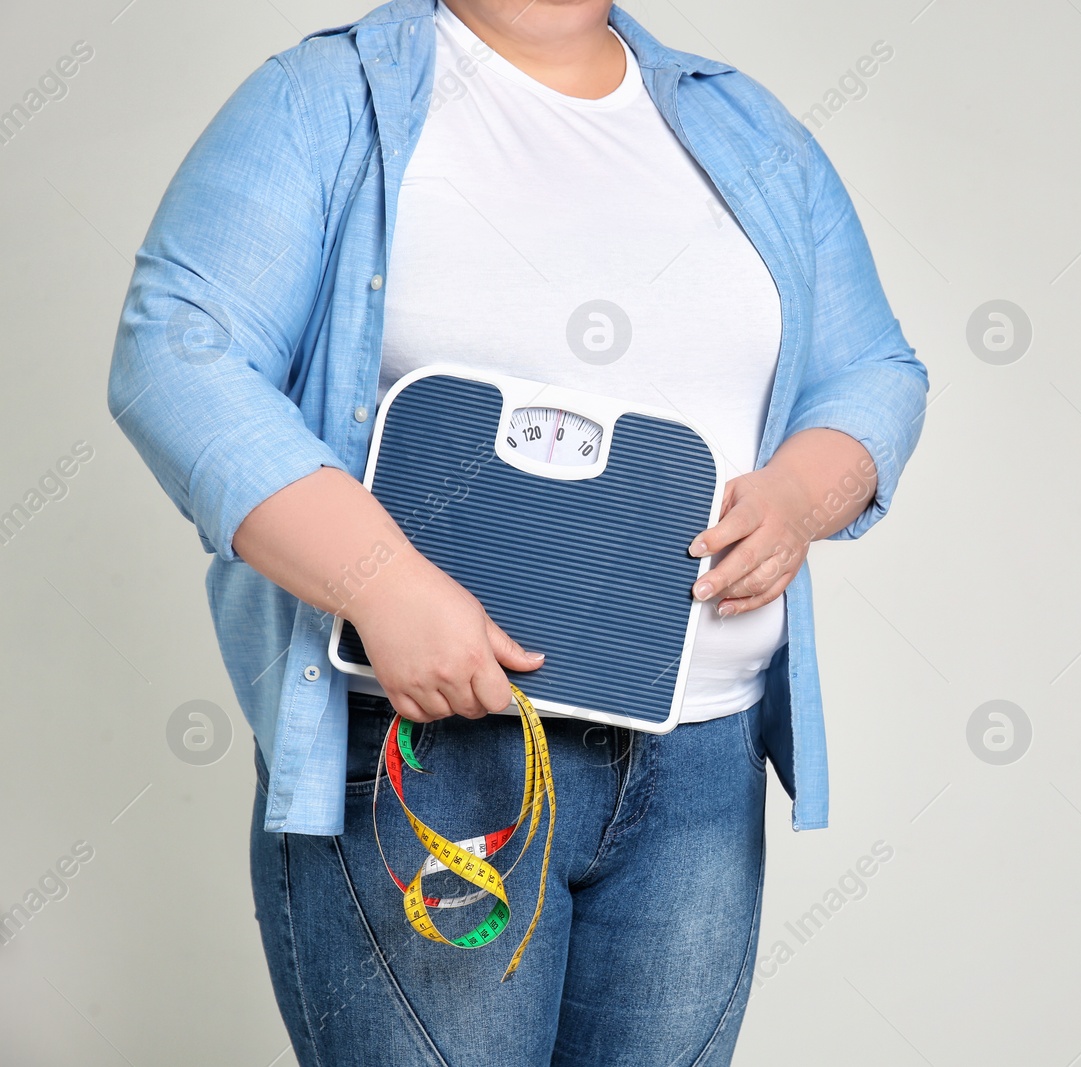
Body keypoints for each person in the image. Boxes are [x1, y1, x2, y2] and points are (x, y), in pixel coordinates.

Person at [107, 0, 926, 1062]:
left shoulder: (745, 129)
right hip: (428, 759)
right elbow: (176, 354)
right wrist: (379, 579)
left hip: (699, 765)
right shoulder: (324, 101)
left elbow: (873, 370)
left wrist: (804, 494)